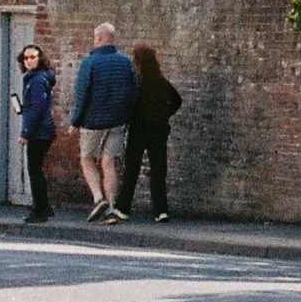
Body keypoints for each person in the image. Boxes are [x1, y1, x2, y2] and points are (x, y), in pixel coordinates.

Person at [70, 19, 138, 223]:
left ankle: (98, 198)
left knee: (87, 158)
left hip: (93, 121)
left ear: (99, 38)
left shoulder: (89, 63)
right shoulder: (126, 62)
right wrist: (125, 116)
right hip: (117, 121)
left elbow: (82, 94)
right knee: (109, 163)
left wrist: (76, 121)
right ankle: (110, 208)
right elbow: (134, 91)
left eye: (95, 37)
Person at [116, 44, 183, 221]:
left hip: (138, 130)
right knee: (158, 170)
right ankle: (161, 210)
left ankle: (123, 208)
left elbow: (129, 105)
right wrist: (164, 115)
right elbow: (177, 101)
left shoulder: (136, 83)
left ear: (138, 61)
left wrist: (127, 120)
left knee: (131, 169)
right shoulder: (162, 83)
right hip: (158, 130)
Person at [16, 45, 61, 220]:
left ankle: (40, 210)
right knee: (37, 170)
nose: (29, 61)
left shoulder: (37, 80)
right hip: (42, 130)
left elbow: (37, 109)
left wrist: (25, 133)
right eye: (25, 58)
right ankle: (45, 207)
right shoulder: (36, 78)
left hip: (39, 132)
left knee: (34, 170)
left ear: (40, 58)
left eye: (33, 57)